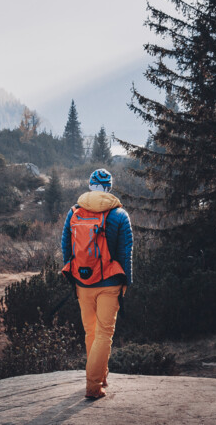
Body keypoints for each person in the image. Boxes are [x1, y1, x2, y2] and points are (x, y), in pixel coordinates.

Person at [60, 168, 133, 399]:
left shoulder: (73, 213)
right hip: (110, 283)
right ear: (109, 187)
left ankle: (101, 375)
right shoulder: (120, 215)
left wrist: (74, 278)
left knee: (91, 332)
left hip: (82, 282)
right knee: (104, 334)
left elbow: (66, 248)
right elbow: (125, 253)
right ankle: (93, 387)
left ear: (90, 185)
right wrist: (125, 283)